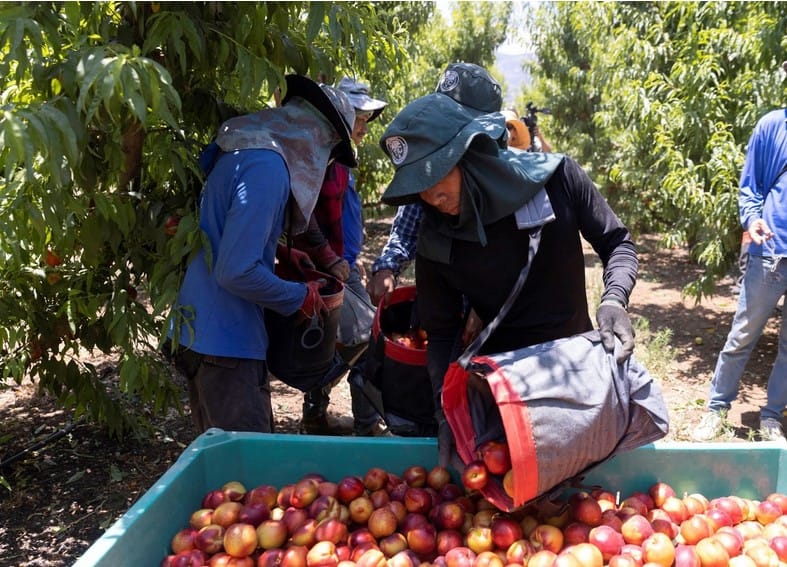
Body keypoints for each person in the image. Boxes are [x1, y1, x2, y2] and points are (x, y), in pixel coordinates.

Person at [377, 92, 638, 466]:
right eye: (417, 184)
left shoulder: (557, 181)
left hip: (576, 376)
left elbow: (617, 243)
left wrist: (614, 299)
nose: (429, 196)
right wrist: (444, 412)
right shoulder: (437, 237)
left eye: (434, 175)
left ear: (469, 154)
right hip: (505, 391)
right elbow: (442, 334)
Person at [167, 75, 357, 434]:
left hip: (201, 332)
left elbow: (229, 236)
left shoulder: (245, 153)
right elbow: (236, 271)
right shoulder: (266, 169)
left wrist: (283, 256)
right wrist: (299, 296)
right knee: (248, 472)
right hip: (226, 344)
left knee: (222, 463)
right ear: (316, 138)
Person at [293, 76, 390, 436]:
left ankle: (317, 412)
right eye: (358, 116)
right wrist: (332, 261)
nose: (363, 125)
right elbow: (304, 217)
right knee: (366, 340)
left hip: (342, 264)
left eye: (367, 118)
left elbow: (342, 218)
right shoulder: (322, 159)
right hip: (326, 267)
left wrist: (353, 255)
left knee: (346, 342)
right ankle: (365, 423)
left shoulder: (341, 159)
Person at [367, 62, 504, 306]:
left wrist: (489, 306)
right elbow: (406, 231)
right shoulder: (430, 170)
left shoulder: (505, 177)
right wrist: (387, 267)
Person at [693, 106, 787, 442]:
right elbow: (750, 186)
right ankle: (716, 410)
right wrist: (751, 219)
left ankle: (773, 416)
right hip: (771, 251)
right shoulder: (772, 126)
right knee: (743, 335)